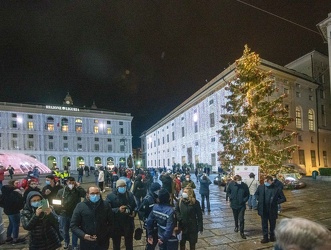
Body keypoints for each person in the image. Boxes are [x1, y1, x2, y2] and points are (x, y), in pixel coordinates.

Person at [71, 186, 114, 250]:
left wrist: (106, 234)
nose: (95, 195)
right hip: (86, 243)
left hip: (102, 242)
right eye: (92, 193)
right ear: (87, 194)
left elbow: (112, 222)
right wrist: (83, 235)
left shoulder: (106, 205)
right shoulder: (80, 206)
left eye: (97, 193)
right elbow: (73, 226)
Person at [56, 177, 86, 250]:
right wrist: (58, 211)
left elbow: (84, 194)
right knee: (65, 230)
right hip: (64, 214)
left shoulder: (77, 191)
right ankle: (66, 242)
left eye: (73, 183)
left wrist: (79, 186)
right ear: (66, 182)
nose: (71, 184)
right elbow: (56, 202)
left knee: (75, 230)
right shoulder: (61, 191)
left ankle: (74, 245)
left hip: (75, 214)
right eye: (70, 183)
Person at [106, 179, 137, 250]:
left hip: (128, 223)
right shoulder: (110, 196)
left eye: (124, 186)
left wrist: (134, 212)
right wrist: (118, 210)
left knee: (129, 244)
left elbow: (135, 206)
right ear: (117, 187)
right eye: (121, 186)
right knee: (116, 244)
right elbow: (107, 210)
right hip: (116, 225)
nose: (123, 188)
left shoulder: (130, 195)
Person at [255, 175, 286, 243]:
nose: (266, 183)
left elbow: (283, 198)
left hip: (272, 209)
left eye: (268, 182)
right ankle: (265, 237)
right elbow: (256, 194)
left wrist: (276, 202)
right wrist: (259, 199)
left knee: (272, 224)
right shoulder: (261, 187)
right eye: (265, 181)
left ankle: (272, 236)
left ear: (272, 181)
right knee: (264, 224)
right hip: (263, 209)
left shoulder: (277, 189)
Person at [138, 182, 161, 250]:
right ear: (155, 190)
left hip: (157, 224)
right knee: (151, 243)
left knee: (156, 241)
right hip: (150, 225)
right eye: (159, 189)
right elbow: (140, 211)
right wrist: (145, 220)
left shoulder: (157, 197)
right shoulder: (147, 199)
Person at [1, 179, 25, 244]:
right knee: (16, 224)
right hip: (14, 211)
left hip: (8, 211)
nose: (18, 184)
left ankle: (8, 237)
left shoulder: (5, 192)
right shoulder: (14, 192)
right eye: (16, 183)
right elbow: (19, 201)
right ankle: (15, 239)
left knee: (11, 224)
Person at [226, 174, 249, 239]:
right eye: (238, 180)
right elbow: (228, 192)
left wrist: (244, 200)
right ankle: (236, 226)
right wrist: (231, 197)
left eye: (240, 180)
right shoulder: (231, 184)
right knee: (235, 217)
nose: (239, 181)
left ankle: (242, 232)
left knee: (241, 219)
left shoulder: (244, 185)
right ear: (235, 180)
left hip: (241, 205)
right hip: (234, 204)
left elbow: (247, 194)